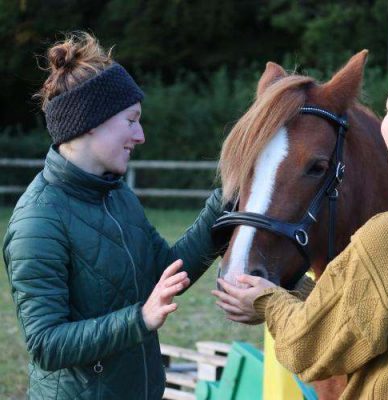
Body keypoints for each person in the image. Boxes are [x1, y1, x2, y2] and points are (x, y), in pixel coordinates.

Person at [213, 54, 388, 398]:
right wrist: (296, 292)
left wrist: (266, 303)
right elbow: (385, 306)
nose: (381, 121)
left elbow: (312, 349)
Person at [3, 32, 224, 399]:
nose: (140, 136)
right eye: (131, 120)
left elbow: (164, 270)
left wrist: (223, 207)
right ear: (91, 121)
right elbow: (45, 344)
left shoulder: (116, 193)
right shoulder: (36, 222)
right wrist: (138, 320)